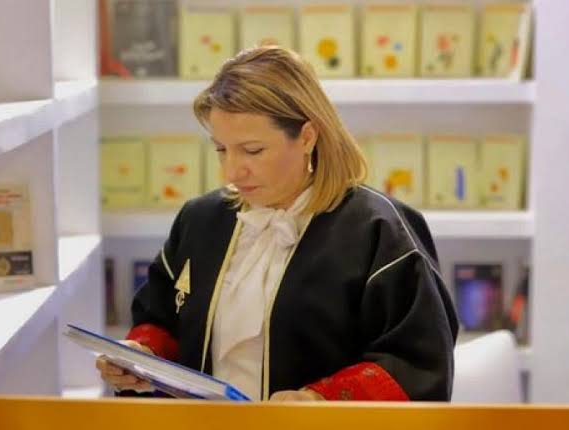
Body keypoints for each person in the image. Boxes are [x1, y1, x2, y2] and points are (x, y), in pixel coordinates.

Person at [97, 46, 458, 402]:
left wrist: (320, 400)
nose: (232, 171)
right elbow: (162, 320)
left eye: (252, 150)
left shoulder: (380, 230)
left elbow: (417, 362)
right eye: (221, 149)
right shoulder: (199, 220)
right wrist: (140, 355)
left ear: (307, 137)